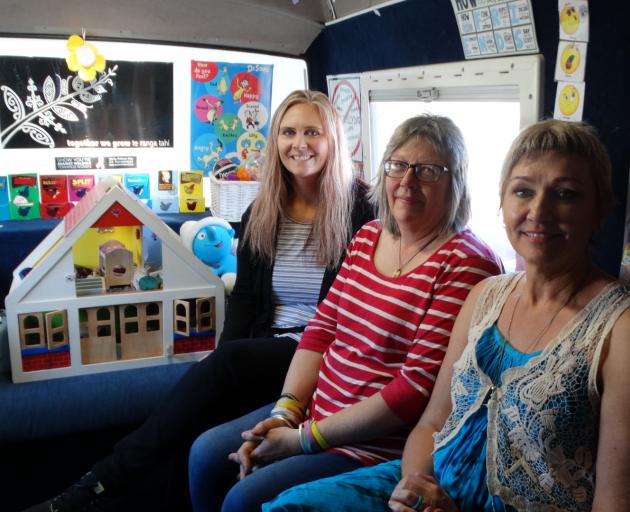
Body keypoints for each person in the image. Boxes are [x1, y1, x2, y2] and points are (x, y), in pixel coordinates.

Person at [22, 89, 375, 512]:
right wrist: (225, 361)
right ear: (275, 141)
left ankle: (102, 482)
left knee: (219, 372)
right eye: (288, 131)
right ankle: (102, 490)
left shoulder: (362, 212)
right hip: (266, 345)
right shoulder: (261, 211)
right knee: (196, 420)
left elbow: (360, 306)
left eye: (312, 132)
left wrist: (226, 364)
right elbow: (244, 298)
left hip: (320, 352)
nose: (299, 143)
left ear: (332, 139)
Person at [262, 119, 630, 512]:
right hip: (429, 488)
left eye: (566, 195)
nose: (538, 211)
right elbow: (433, 423)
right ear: (503, 204)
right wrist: (415, 487)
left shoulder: (617, 329)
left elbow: (614, 501)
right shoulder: (485, 298)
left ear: (600, 210)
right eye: (523, 191)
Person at [187, 114, 503, 512]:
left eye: (427, 171)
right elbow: (320, 330)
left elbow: (412, 392)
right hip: (315, 415)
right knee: (204, 455)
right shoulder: (369, 235)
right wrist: (286, 413)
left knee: (243, 499)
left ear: (455, 182)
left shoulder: (467, 263)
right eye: (398, 166)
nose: (407, 182)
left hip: (376, 445)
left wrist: (302, 440)